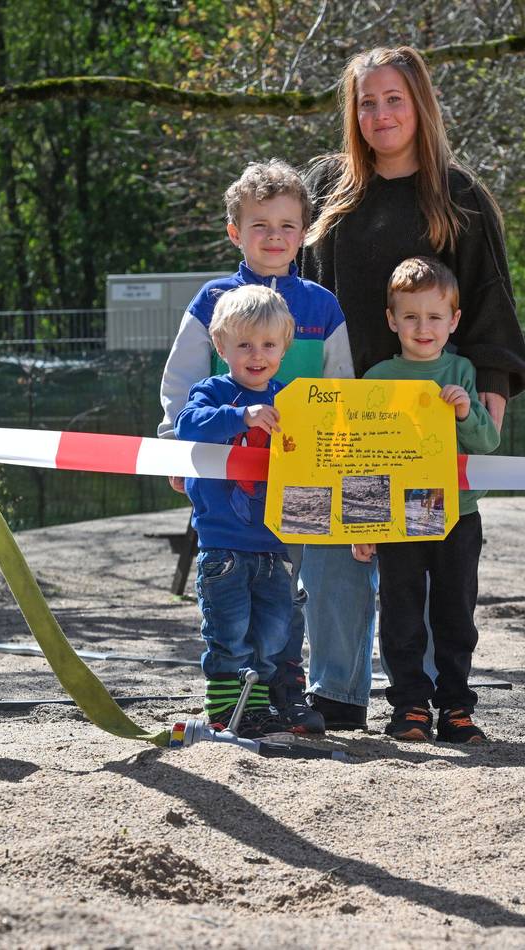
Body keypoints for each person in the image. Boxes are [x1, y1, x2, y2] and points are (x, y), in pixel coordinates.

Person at [298, 45, 525, 730]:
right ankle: (336, 696)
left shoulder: (459, 197)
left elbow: (488, 307)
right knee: (335, 551)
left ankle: (423, 704)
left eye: (393, 98)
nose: (380, 114)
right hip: (339, 410)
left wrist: (488, 403)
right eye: (366, 102)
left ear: (419, 104)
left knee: (421, 569)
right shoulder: (325, 188)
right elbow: (289, 292)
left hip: (426, 422)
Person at [159, 159, 354, 735]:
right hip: (228, 487)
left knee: (285, 594)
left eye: (287, 225)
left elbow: (340, 386)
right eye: (260, 225)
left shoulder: (322, 305)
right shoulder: (212, 299)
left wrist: (338, 464)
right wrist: (174, 447)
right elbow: (181, 379)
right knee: (233, 593)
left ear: (305, 232)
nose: (274, 236)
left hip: (301, 479)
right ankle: (237, 699)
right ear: (235, 232)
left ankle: (284, 692)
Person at [352, 257, 499, 743]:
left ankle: (456, 707)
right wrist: (363, 524)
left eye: (435, 317)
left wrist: (465, 412)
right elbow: (361, 457)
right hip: (398, 516)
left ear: (454, 321)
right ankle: (409, 705)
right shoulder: (376, 378)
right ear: (392, 320)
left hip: (458, 513)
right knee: (401, 613)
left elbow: (487, 443)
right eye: (411, 316)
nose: (423, 327)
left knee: (456, 615)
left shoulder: (461, 370)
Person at [174, 284, 299, 739]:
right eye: (244, 344)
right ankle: (226, 709)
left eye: (268, 344)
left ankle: (256, 706)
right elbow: (188, 425)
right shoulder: (212, 392)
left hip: (274, 543)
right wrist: (242, 416)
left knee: (272, 633)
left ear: (284, 347)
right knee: (229, 631)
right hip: (223, 542)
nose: (257, 355)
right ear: (220, 345)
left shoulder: (291, 400)